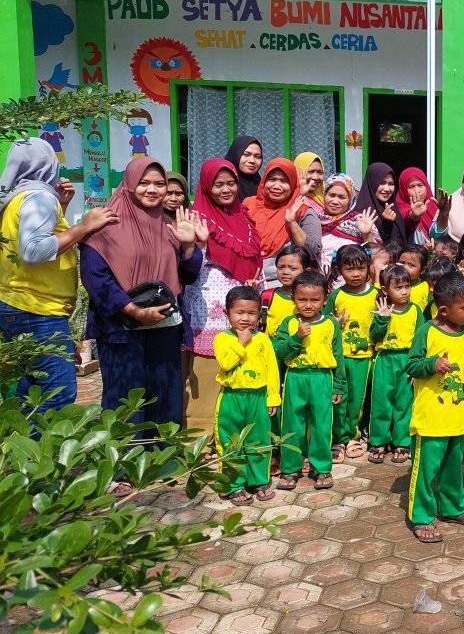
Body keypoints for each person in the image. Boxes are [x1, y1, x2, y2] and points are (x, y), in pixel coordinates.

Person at [81, 160, 204, 456]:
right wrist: (134, 311)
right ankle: (123, 462)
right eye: (144, 183)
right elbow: (95, 277)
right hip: (121, 326)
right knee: (126, 393)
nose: (152, 190)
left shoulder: (167, 224)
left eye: (159, 184)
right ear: (130, 183)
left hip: (162, 323)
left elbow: (187, 275)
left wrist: (188, 247)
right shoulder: (104, 223)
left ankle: (163, 457)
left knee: (164, 389)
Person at [0, 138, 117, 412]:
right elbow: (33, 250)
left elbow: (32, 240)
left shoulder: (17, 197)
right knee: (57, 392)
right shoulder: (38, 197)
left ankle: (20, 448)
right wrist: (83, 227)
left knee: (32, 389)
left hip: (20, 304)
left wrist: (61, 209)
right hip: (36, 309)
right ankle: (40, 451)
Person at [405, 272, 464, 542]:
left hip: (459, 413)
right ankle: (421, 516)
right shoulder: (427, 331)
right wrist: (432, 364)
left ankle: (454, 508)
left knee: (453, 465)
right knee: (427, 467)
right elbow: (412, 365)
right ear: (443, 309)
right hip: (432, 416)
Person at [184, 159, 265, 433]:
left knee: (239, 370)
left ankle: (234, 436)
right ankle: (201, 439)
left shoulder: (243, 216)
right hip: (208, 310)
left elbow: (255, 257)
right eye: (218, 185)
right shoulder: (196, 217)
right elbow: (188, 267)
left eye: (231, 183)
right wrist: (199, 243)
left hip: (241, 305)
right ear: (207, 186)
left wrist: (256, 282)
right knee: (207, 375)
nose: (226, 189)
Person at [272, 270, 344, 491]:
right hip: (295, 378)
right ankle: (290, 468)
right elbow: (280, 351)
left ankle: (321, 468)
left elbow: (338, 357)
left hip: (322, 379)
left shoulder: (331, 323)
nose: (308, 305)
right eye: (302, 299)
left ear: (324, 299)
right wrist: (296, 338)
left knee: (322, 426)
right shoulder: (289, 323)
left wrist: (339, 385)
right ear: (293, 298)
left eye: (315, 300)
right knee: (292, 424)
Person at [212, 285, 279, 504]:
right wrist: (241, 343)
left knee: (258, 440)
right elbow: (226, 362)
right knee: (231, 442)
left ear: (259, 314)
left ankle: (259, 480)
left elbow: (272, 370)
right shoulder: (222, 338)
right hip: (232, 398)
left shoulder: (263, 339)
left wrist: (272, 398)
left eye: (251, 313)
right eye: (239, 313)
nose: (245, 318)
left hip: (258, 397)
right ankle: (233, 484)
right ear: (227, 313)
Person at [325, 245, 378, 461]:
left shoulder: (376, 294)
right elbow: (324, 323)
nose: (355, 274)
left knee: (357, 400)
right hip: (339, 356)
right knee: (338, 398)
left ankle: (353, 436)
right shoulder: (336, 295)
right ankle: (339, 437)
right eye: (349, 269)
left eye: (360, 268)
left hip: (363, 358)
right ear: (339, 270)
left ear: (368, 268)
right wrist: (335, 324)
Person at [368, 264, 420, 464]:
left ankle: (402, 442)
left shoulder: (415, 310)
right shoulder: (381, 309)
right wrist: (382, 319)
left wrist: (417, 364)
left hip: (407, 359)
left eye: (407, 286)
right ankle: (378, 441)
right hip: (385, 359)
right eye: (398, 287)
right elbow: (374, 336)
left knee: (404, 403)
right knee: (381, 401)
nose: (404, 291)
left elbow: (421, 339)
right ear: (385, 290)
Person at [244, 159, 323, 283]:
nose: (277, 186)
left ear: (292, 183)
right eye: (272, 179)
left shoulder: (303, 211)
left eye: (284, 181)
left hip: (283, 285)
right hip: (246, 280)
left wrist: (292, 223)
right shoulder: (248, 205)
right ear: (264, 181)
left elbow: (312, 251)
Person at [318, 174, 380, 270]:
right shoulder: (315, 219)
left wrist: (367, 235)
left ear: (350, 200)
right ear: (324, 195)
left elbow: (377, 257)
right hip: (318, 281)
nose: (335, 201)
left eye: (341, 197)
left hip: (349, 281)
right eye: (331, 195)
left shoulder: (360, 220)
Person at [357, 162, 406, 248]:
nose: (387, 189)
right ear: (372, 183)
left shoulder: (393, 209)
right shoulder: (362, 213)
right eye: (382, 183)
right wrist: (386, 224)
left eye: (391, 184)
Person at [225, 135, 263, 201]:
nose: (252, 161)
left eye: (257, 156)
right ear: (235, 155)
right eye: (246, 155)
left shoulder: (263, 188)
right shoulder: (221, 186)